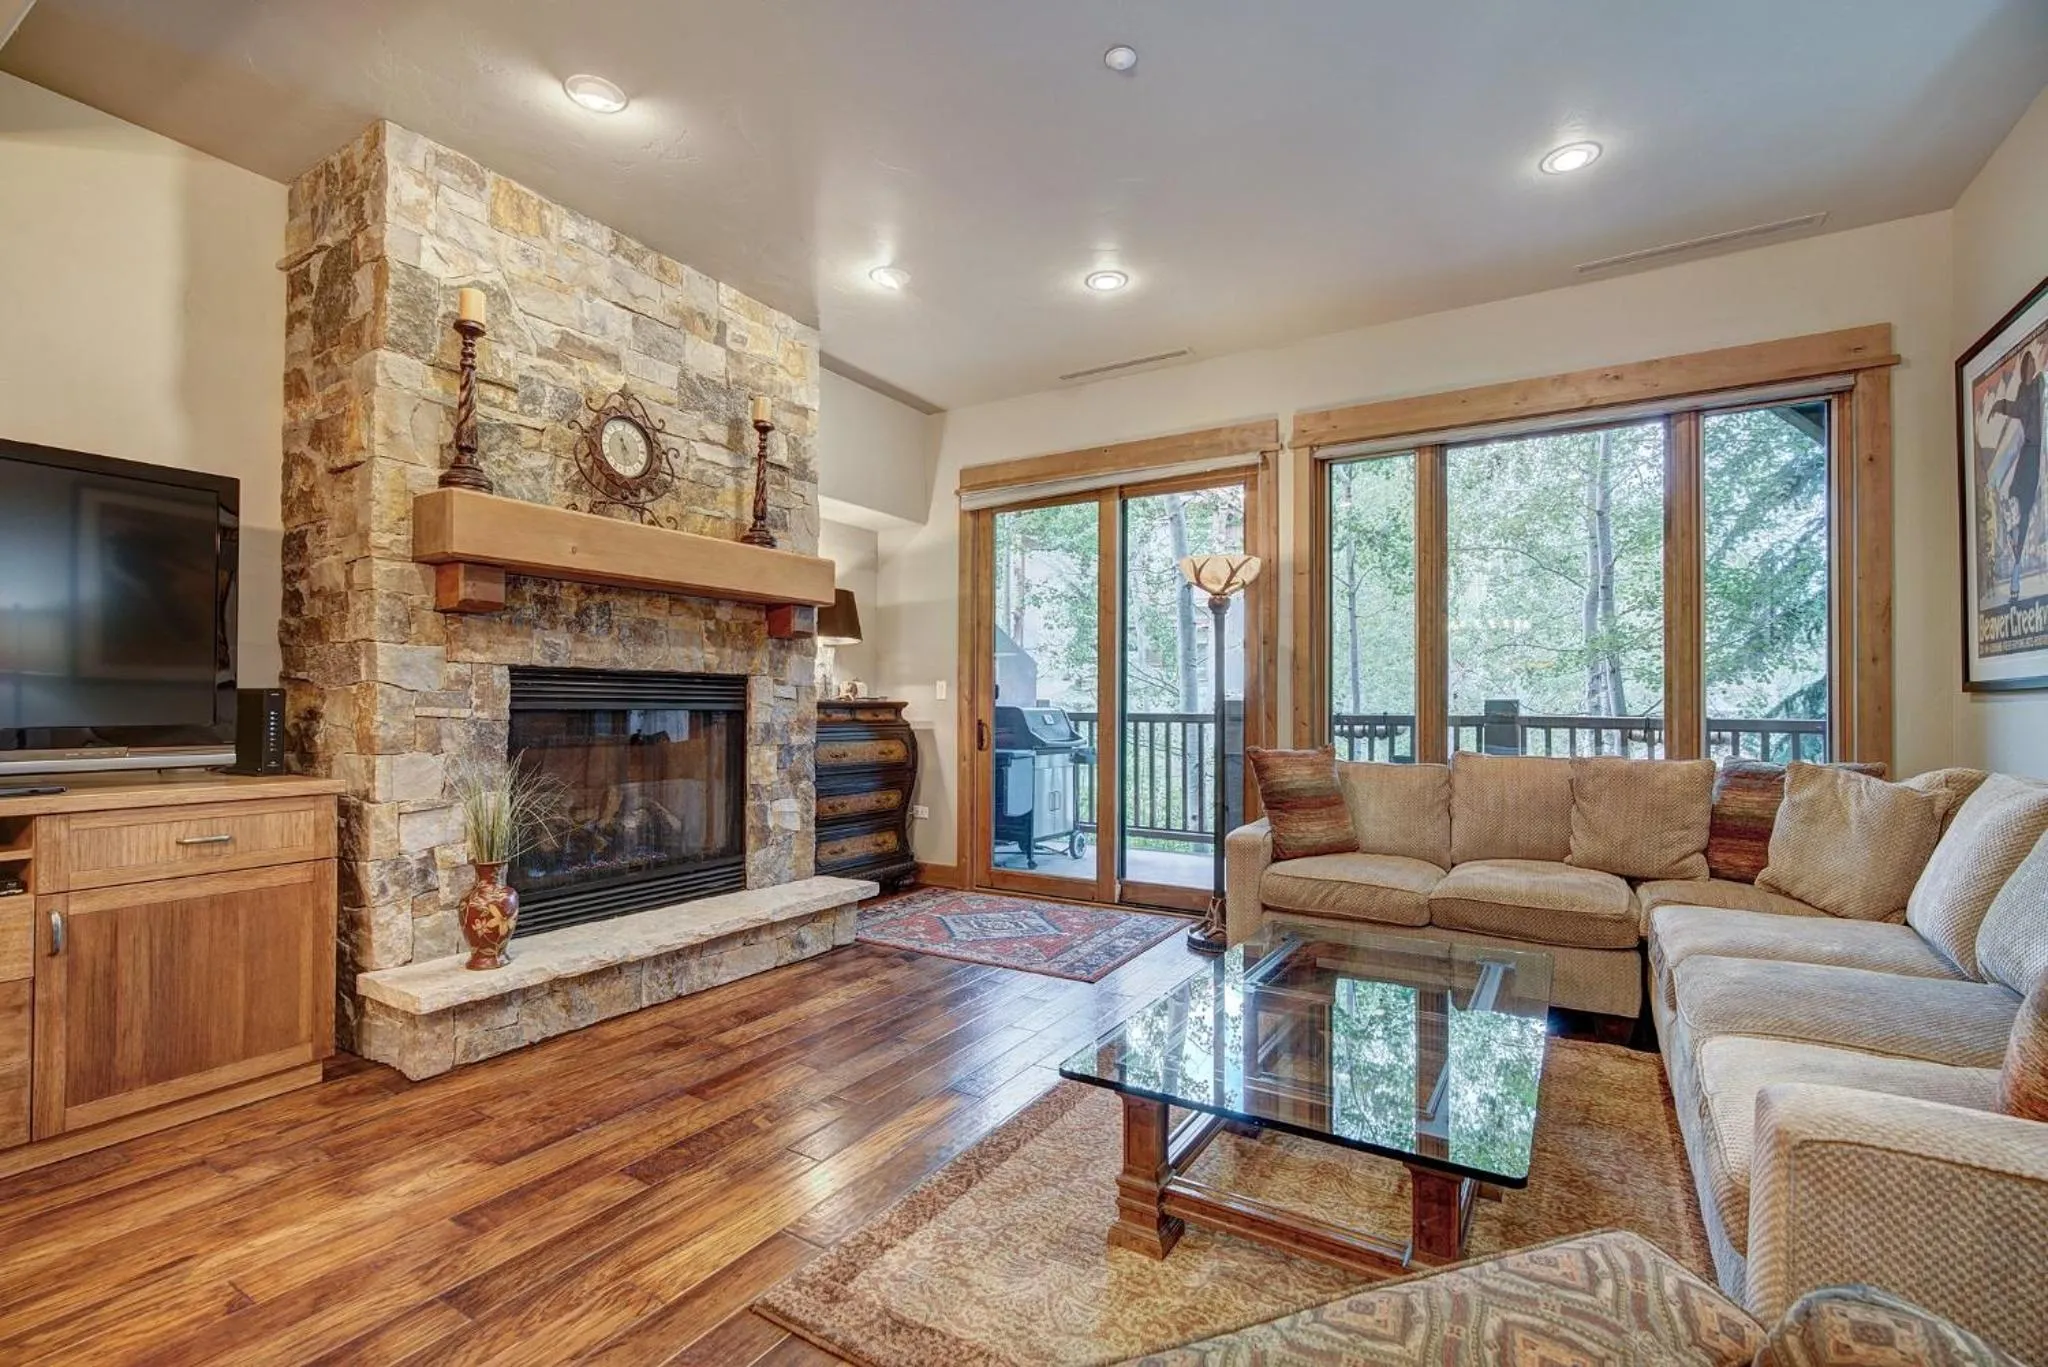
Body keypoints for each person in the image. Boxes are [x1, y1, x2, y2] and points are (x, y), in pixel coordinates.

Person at [1989, 349, 2043, 603]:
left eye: (2031, 363)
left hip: (2034, 456)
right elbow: (2019, 409)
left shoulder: (2038, 386)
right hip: (2027, 453)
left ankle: (2017, 569)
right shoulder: (2025, 390)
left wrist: (2001, 406)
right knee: (2013, 496)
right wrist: (2000, 405)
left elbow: (2025, 410)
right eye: (2026, 365)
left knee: (2025, 508)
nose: (2029, 368)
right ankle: (2015, 547)